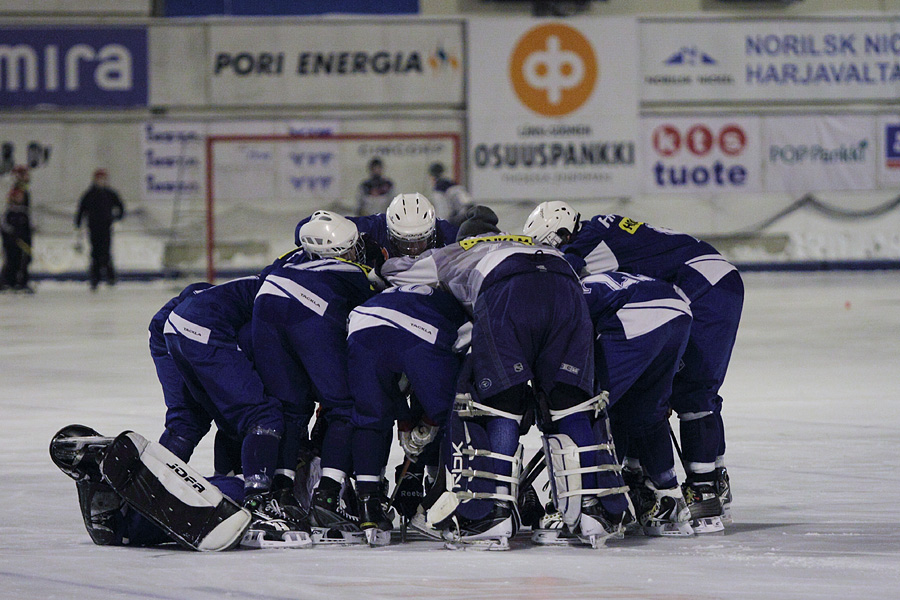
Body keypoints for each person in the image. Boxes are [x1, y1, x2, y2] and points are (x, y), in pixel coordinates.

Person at [382, 212, 629, 549]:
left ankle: (492, 514)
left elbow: (397, 275)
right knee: (570, 403)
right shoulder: (524, 241)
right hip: (566, 287)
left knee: (501, 403)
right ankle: (592, 511)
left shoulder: (457, 250)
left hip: (509, 294)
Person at [524, 201, 743, 532]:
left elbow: (556, 281)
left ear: (563, 233)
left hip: (706, 286)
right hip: (685, 290)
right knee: (646, 394)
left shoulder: (589, 239)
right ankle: (643, 476)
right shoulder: (598, 236)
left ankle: (706, 486)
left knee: (692, 391)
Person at [253, 211, 384, 543]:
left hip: (266, 303)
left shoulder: (288, 260)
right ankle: (326, 496)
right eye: (348, 249)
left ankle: (281, 492)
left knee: (291, 408)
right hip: (310, 311)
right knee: (344, 405)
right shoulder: (352, 273)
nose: (354, 254)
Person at [164, 275, 312, 547]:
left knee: (196, 421)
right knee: (263, 416)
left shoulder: (278, 283)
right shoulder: (296, 303)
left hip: (171, 329)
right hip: (201, 327)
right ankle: (257, 504)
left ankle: (151, 486)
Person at [346, 283, 470, 545]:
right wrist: (431, 421)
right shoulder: (454, 300)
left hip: (361, 325)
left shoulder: (389, 291)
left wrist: (405, 422)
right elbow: (457, 378)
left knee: (370, 416)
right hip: (422, 331)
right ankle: (445, 503)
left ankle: (368, 507)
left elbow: (392, 385)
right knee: (454, 415)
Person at [581, 271, 695, 537]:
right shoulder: (610, 279)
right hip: (679, 311)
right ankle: (670, 501)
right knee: (647, 411)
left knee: (591, 406)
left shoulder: (577, 289)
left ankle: (603, 504)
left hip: (640, 313)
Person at [297, 193, 459, 261]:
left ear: (432, 233)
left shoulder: (448, 233)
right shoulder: (374, 227)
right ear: (389, 231)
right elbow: (305, 227)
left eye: (419, 242)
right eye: (404, 243)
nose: (413, 250)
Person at [75, 168, 125, 290]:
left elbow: (120, 206)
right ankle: (95, 278)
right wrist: (78, 222)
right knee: (95, 252)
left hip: (106, 227)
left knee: (106, 251)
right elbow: (82, 209)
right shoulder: (89, 194)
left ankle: (110, 277)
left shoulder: (110, 193)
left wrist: (117, 217)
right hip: (93, 227)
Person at [1, 186, 33, 292]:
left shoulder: (24, 212)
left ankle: (21, 282)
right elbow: (4, 226)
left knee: (23, 262)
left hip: (23, 243)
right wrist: (12, 235)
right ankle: (7, 282)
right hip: (10, 244)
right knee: (11, 262)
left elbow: (28, 228)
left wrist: (27, 241)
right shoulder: (9, 213)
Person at [428, 162, 472, 226]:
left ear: (432, 176)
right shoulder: (453, 184)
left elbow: (444, 213)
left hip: (459, 219)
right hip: (470, 216)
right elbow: (468, 203)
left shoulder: (439, 190)